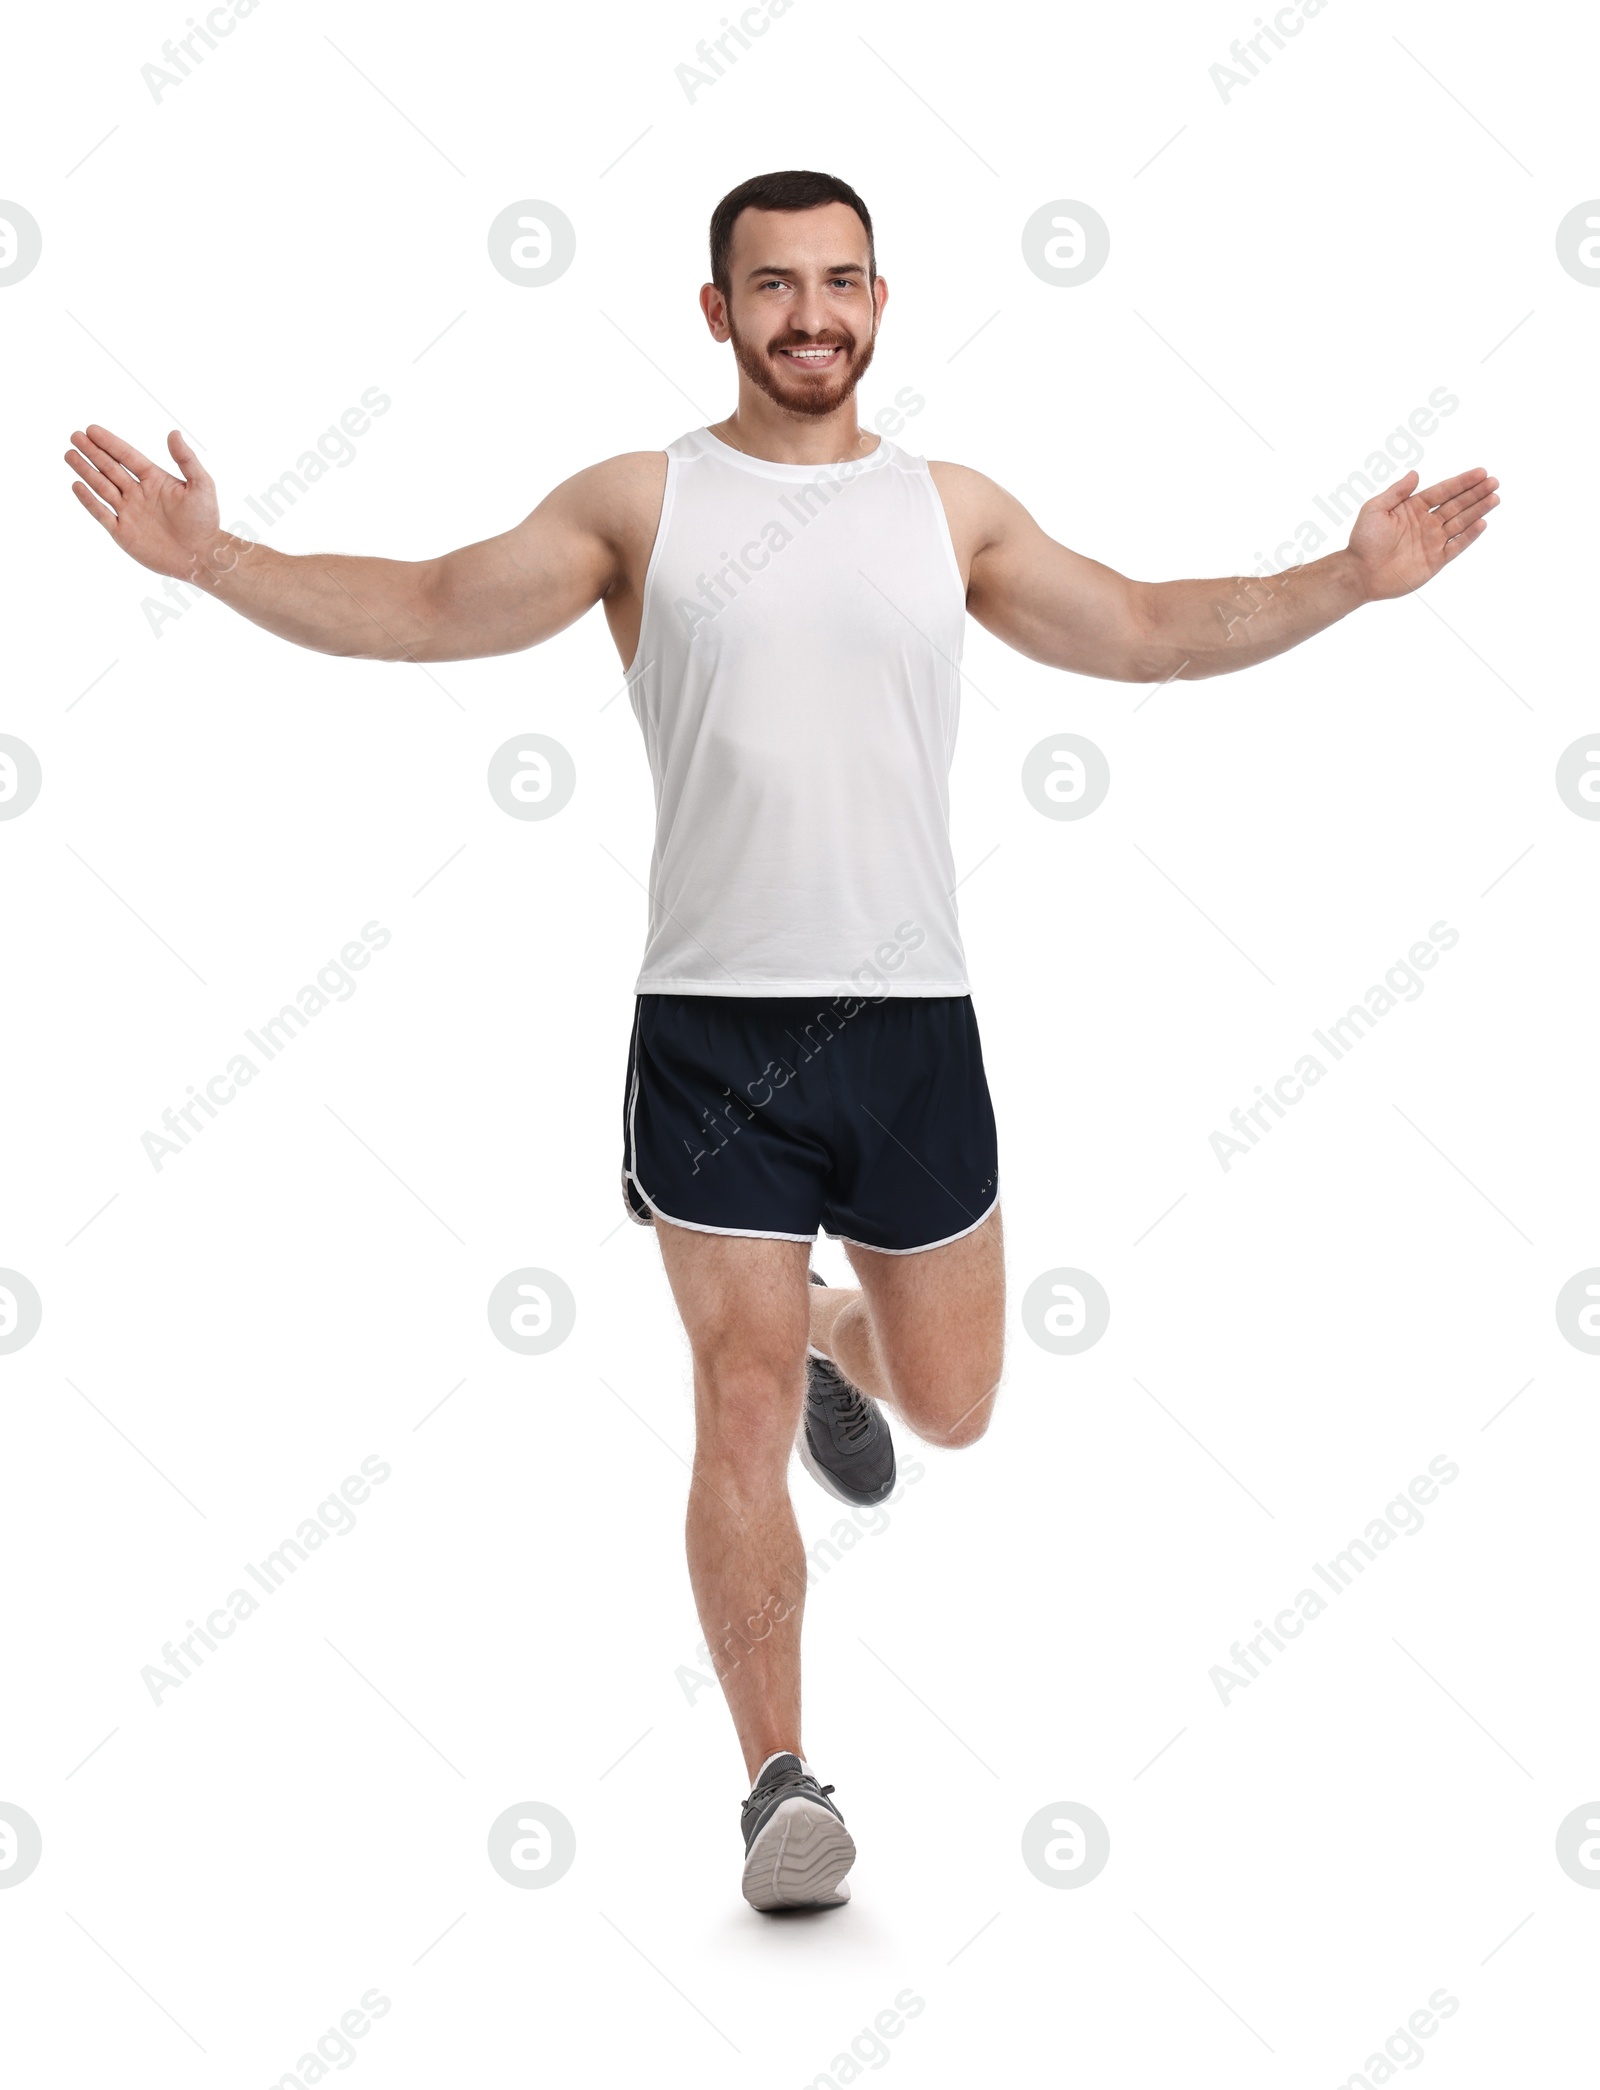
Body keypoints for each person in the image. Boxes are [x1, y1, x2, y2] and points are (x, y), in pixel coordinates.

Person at [63, 167, 1500, 1914]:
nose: (809, 313)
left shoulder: (948, 511)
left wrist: (1344, 582)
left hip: (914, 1031)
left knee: (957, 1405)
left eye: (840, 281)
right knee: (733, 1401)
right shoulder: (639, 503)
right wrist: (212, 556)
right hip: (714, 1032)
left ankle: (843, 1326)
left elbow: (1138, 630)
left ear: (881, 302)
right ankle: (779, 1786)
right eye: (773, 284)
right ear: (718, 309)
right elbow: (436, 602)